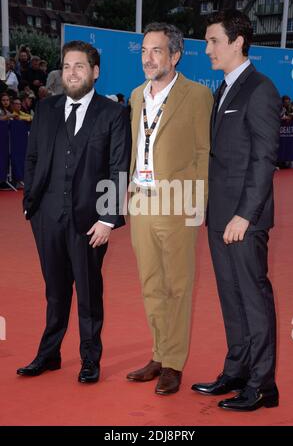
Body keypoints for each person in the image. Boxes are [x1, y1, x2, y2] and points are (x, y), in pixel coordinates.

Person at [17, 41, 131, 383]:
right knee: (54, 290)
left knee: (88, 291)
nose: (72, 72)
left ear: (95, 72)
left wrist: (108, 219)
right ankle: (49, 354)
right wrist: (30, 205)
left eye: (79, 66)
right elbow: (33, 158)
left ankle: (89, 358)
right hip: (46, 216)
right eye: (67, 66)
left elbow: (118, 169)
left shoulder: (112, 114)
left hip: (90, 221)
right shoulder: (46, 109)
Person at [191, 9, 281, 411]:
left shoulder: (260, 88)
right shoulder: (223, 89)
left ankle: (263, 386)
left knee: (253, 298)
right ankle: (238, 370)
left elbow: (264, 159)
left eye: (213, 41)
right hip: (219, 214)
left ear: (237, 41)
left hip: (244, 217)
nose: (207, 48)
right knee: (231, 297)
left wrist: (244, 215)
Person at [127, 23, 213, 395]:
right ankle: (159, 353)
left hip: (178, 203)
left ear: (175, 56)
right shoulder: (135, 96)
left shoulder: (196, 95)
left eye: (157, 51)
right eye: (145, 50)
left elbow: (202, 153)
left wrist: (195, 203)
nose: (148, 58)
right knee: (151, 285)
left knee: (178, 286)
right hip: (141, 202)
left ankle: (174, 363)